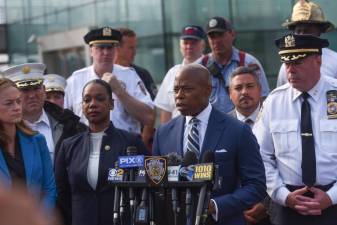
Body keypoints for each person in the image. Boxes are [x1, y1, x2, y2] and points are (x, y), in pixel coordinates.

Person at [153, 64, 266, 225]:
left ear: (207, 90)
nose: (179, 95)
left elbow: (256, 185)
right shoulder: (163, 133)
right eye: (176, 90)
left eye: (187, 89)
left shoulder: (237, 130)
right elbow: (156, 183)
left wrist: (216, 206)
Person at [253, 34, 337, 225]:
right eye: (286, 62)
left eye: (298, 61)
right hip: (287, 206)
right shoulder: (274, 102)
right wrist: (282, 195)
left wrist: (331, 196)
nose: (290, 69)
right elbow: (259, 157)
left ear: (318, 60)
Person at [55, 79, 148, 225]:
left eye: (99, 98)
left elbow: (145, 187)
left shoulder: (131, 142)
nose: (93, 104)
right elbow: (62, 192)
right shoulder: (69, 146)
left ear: (111, 104)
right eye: (87, 100)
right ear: (82, 106)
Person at [65, 26, 154, 135]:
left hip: (124, 145)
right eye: (100, 47)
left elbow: (149, 117)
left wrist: (120, 91)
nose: (106, 52)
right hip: (87, 145)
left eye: (110, 47)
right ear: (91, 51)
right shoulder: (75, 80)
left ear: (115, 50)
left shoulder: (129, 76)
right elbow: (63, 120)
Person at [3, 63, 87, 163]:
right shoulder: (5, 130)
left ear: (43, 89)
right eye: (25, 90)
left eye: (36, 88)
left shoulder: (70, 124)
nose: (32, 95)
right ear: (14, 94)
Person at [0, 78, 56, 209]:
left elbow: (49, 188)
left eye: (18, 101)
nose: (16, 107)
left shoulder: (37, 140)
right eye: (9, 103)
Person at [198, 16, 269, 114]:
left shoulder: (248, 63)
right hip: (211, 125)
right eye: (212, 36)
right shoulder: (200, 67)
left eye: (220, 35)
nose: (217, 40)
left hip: (242, 123)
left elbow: (263, 98)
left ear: (232, 34)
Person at [228, 66, 271, 225]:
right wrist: (236, 208)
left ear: (260, 90)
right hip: (233, 213)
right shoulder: (220, 127)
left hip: (274, 210)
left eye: (250, 86)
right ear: (230, 94)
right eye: (238, 88)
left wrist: (267, 204)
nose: (244, 92)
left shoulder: (275, 121)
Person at [115, 27, 157, 150]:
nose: (135, 52)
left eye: (135, 47)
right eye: (130, 48)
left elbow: (152, 111)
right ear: (117, 48)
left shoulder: (142, 74)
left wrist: (143, 141)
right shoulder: (103, 73)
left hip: (134, 141)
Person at [277, 0, 337, 87]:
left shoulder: (334, 60)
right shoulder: (287, 65)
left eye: (307, 30)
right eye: (298, 31)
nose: (301, 35)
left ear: (319, 31)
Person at [154, 25, 206, 123]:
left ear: (203, 45)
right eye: (185, 43)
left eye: (193, 43)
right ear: (180, 46)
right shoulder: (172, 73)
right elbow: (166, 110)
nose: (189, 46)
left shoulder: (211, 69)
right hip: (177, 133)